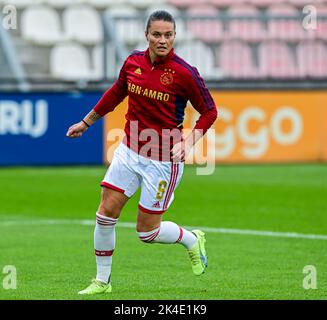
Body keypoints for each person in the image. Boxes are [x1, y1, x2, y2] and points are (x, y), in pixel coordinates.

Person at [66, 10, 218, 295]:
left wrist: (190, 142)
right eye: (157, 34)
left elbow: (210, 111)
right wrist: (86, 122)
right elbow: (115, 93)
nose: (163, 40)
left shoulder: (185, 73)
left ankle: (191, 239)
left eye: (168, 35)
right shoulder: (133, 62)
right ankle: (102, 281)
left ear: (175, 36)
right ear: (146, 35)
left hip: (162, 161)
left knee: (147, 233)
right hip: (129, 151)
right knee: (104, 214)